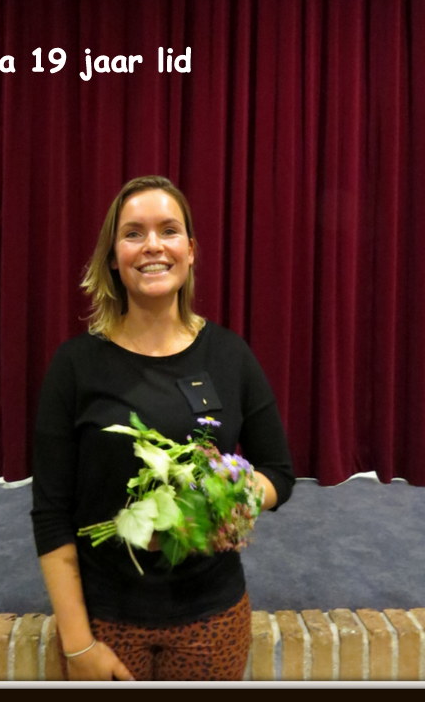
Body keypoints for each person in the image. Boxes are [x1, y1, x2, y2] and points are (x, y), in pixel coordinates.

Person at [30, 175, 295, 681]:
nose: (152, 245)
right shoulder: (74, 365)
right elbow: (51, 514)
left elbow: (279, 474)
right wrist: (78, 644)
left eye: (168, 230)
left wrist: (220, 494)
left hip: (212, 616)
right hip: (106, 617)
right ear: (114, 257)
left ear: (190, 251)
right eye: (133, 233)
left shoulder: (230, 355)